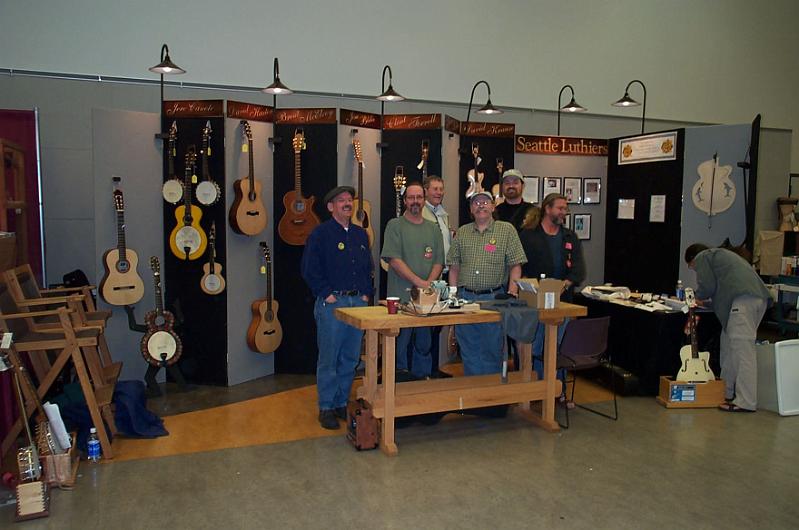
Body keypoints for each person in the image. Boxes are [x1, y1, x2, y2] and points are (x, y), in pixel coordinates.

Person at [301, 186, 374, 430]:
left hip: (358, 304)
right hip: (333, 304)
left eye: (349, 200)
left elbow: (367, 268)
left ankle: (342, 402)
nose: (346, 204)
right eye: (340, 201)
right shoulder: (320, 234)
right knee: (329, 358)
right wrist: (327, 294)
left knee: (350, 357)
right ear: (330, 207)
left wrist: (366, 294)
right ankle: (326, 407)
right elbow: (309, 269)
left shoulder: (360, 234)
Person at [447, 191, 527, 376]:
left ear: (493, 206)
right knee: (468, 350)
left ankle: (492, 399)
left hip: (493, 299)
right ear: (470, 209)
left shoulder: (506, 230)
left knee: (493, 350)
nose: (481, 205)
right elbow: (454, 268)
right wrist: (453, 296)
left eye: (485, 202)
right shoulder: (463, 232)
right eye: (476, 203)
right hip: (465, 300)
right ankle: (474, 397)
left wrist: (512, 292)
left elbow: (516, 265)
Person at [685, 243, 770, 412]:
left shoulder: (704, 256)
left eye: (692, 267)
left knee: (742, 352)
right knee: (728, 348)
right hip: (751, 301)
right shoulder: (722, 258)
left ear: (693, 260)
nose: (695, 270)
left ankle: (746, 401)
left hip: (742, 302)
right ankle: (726, 392)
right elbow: (720, 289)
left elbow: (707, 286)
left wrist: (694, 297)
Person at [519, 192, 586, 391]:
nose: (564, 212)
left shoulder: (569, 237)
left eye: (565, 209)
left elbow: (578, 270)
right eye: (560, 208)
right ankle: (540, 389)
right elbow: (519, 267)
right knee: (538, 346)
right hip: (535, 303)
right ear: (547, 209)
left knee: (557, 347)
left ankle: (558, 390)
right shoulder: (529, 236)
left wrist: (562, 285)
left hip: (562, 302)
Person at [381, 181, 444, 380]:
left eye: (418, 197)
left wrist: (429, 285)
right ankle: (398, 388)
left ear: (424, 200)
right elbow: (394, 260)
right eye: (411, 198)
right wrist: (420, 282)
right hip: (401, 299)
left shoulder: (433, 229)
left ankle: (422, 389)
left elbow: (439, 262)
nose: (415, 201)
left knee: (424, 346)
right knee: (400, 346)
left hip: (426, 301)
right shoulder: (395, 225)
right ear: (405, 200)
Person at [422, 175, 453, 377]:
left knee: (437, 324)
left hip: (444, 274)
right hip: (428, 275)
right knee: (425, 327)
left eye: (441, 189)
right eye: (434, 189)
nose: (438, 192)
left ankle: (433, 368)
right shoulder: (422, 213)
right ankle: (423, 370)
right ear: (426, 191)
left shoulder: (443, 214)